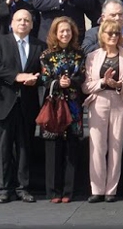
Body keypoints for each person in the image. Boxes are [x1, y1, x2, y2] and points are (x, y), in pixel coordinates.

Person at [0, 7, 43, 204]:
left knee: (25, 147)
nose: (23, 23)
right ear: (11, 23)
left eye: (27, 20)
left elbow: (44, 72)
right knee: (3, 148)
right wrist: (17, 77)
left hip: (27, 104)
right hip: (3, 103)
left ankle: (23, 187)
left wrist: (37, 79)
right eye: (19, 20)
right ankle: (3, 188)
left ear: (32, 24)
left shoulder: (39, 45)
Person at [83, 21, 123, 203]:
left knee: (116, 146)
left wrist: (119, 85)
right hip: (98, 100)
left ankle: (110, 191)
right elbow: (85, 85)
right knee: (97, 147)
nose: (113, 36)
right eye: (109, 33)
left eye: (116, 33)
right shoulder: (92, 56)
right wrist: (103, 83)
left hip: (120, 102)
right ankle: (97, 189)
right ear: (102, 35)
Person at [38, 16, 85, 203]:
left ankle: (68, 191)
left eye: (68, 30)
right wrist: (58, 83)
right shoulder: (46, 55)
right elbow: (43, 79)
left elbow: (82, 77)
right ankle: (53, 191)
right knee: (53, 149)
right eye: (61, 31)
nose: (65, 34)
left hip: (73, 105)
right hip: (54, 105)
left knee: (71, 149)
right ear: (55, 34)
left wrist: (71, 81)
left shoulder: (79, 53)